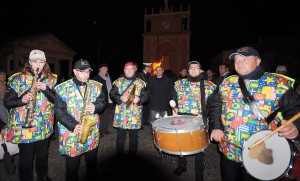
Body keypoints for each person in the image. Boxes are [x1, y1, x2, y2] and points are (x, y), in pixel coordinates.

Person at [209, 46, 300, 181]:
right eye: (236, 60)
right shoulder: (227, 82)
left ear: (258, 62)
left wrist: (295, 125)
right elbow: (215, 104)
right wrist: (216, 126)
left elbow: (295, 109)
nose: (239, 63)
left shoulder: (278, 83)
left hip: (261, 153)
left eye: (245, 59)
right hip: (230, 149)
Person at [3, 49, 57, 181]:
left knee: (42, 155)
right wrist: (21, 100)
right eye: (35, 61)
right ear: (29, 62)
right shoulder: (17, 79)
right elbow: (7, 102)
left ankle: (42, 175)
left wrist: (46, 90)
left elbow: (58, 101)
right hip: (24, 127)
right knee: (26, 157)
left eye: (41, 61)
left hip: (44, 126)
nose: (38, 64)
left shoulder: (51, 80)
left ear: (45, 63)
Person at [54, 59, 106, 181]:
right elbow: (59, 111)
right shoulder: (62, 88)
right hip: (72, 133)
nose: (86, 74)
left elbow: (102, 102)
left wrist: (96, 107)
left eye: (88, 71)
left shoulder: (96, 86)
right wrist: (73, 125)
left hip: (91, 132)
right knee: (72, 169)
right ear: (74, 71)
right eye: (82, 71)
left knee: (92, 166)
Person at [170, 61, 216, 181]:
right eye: (191, 68)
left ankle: (199, 172)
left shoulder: (209, 85)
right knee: (181, 142)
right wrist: (174, 107)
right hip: (182, 116)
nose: (194, 70)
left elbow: (213, 104)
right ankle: (182, 165)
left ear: (201, 71)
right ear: (188, 71)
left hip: (199, 118)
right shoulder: (179, 83)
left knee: (199, 146)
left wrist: (204, 115)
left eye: (196, 68)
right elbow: (173, 96)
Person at [109, 62, 148, 158]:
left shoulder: (140, 83)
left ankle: (132, 157)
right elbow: (112, 93)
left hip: (134, 115)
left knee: (134, 138)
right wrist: (120, 98)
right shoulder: (118, 82)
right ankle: (119, 156)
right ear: (124, 70)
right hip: (121, 115)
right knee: (120, 138)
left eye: (131, 68)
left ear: (135, 70)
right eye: (127, 69)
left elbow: (146, 96)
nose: (129, 70)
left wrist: (139, 99)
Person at [92, 63, 113, 138]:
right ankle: (99, 132)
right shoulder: (95, 78)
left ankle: (104, 129)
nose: (105, 70)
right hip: (100, 102)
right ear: (100, 70)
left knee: (107, 117)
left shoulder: (109, 77)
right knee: (100, 117)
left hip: (109, 100)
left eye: (106, 68)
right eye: (103, 68)